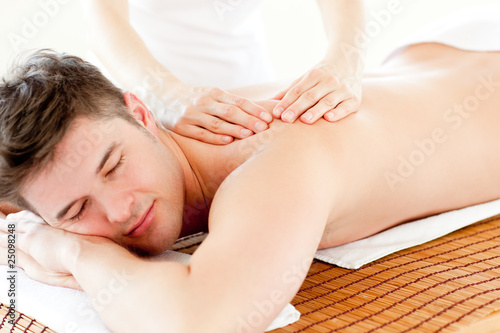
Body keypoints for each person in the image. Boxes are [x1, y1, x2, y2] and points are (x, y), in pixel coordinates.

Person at [2, 7, 500, 332]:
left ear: (142, 114)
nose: (120, 209)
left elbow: (201, 322)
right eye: (76, 210)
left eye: (114, 166)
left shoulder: (269, 167)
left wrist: (67, 247)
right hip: (440, 61)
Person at [83, 0, 366, 144]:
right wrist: (162, 94)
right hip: (144, 96)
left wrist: (346, 60)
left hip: (248, 87)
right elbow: (100, 21)